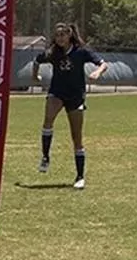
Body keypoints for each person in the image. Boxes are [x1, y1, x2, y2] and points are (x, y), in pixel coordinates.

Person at [33, 22, 108, 190]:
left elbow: (104, 64)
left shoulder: (81, 51)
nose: (59, 38)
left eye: (62, 35)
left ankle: (80, 177)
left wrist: (97, 72)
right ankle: (45, 157)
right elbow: (36, 61)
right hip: (57, 93)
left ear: (69, 35)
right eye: (57, 35)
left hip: (75, 96)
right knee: (48, 120)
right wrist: (34, 76)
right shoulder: (53, 52)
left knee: (77, 137)